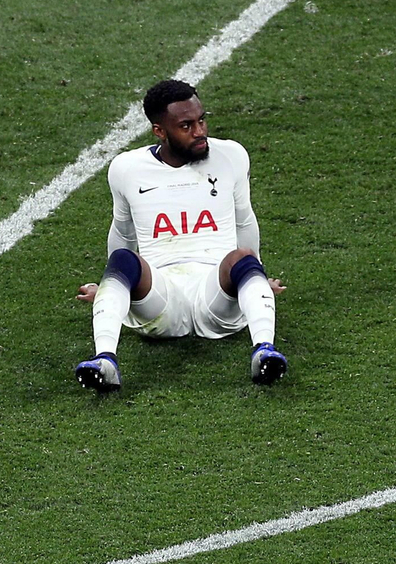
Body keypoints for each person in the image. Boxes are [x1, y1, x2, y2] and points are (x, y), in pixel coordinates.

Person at [75, 79, 287, 390]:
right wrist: (113, 292)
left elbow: (245, 222)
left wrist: (253, 280)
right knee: (123, 259)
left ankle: (264, 352)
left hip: (217, 294)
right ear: (159, 131)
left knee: (243, 258)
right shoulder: (126, 168)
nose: (200, 131)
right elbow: (122, 233)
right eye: (186, 125)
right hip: (160, 298)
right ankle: (105, 362)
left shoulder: (232, 156)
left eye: (201, 120)